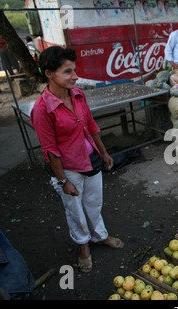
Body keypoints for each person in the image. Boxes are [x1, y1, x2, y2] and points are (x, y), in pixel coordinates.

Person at [30, 46, 123, 273]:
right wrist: (63, 181)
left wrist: (103, 152)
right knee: (75, 211)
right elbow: (49, 150)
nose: (75, 76)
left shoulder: (78, 95)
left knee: (93, 203)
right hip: (68, 169)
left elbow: (91, 126)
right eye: (67, 72)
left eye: (74, 70)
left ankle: (100, 236)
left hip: (91, 160)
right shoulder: (42, 109)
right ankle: (83, 248)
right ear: (49, 74)